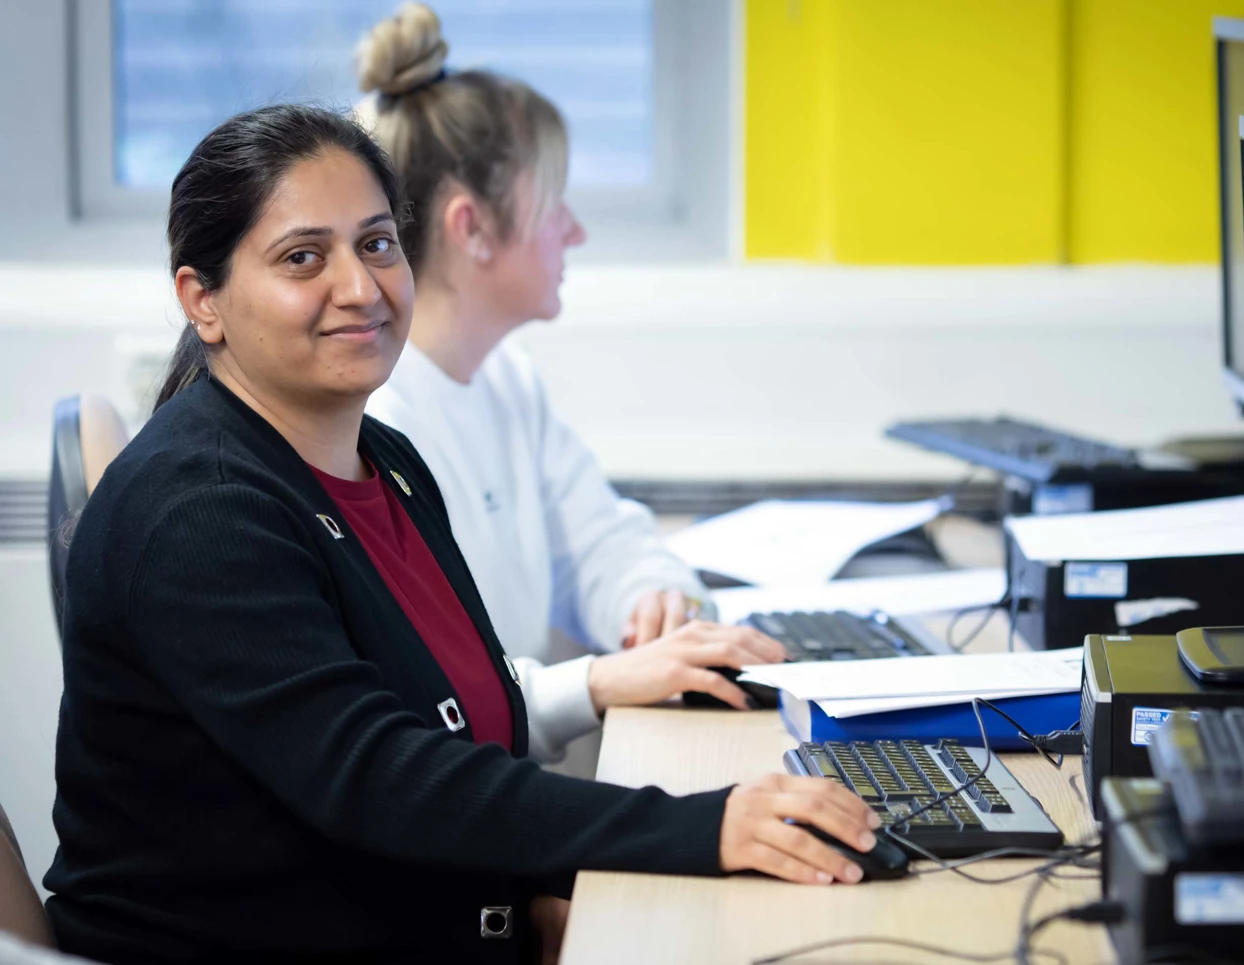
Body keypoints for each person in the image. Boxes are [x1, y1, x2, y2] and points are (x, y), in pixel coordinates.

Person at [44, 104, 880, 965]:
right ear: (202, 300)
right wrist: (702, 827)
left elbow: (455, 716)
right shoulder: (201, 511)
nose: (362, 287)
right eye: (304, 258)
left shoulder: (387, 461)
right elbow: (376, 774)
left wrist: (530, 892)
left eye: (376, 244)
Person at [356, 3, 754, 763]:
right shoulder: (379, 422)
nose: (575, 231)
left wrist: (653, 599)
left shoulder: (504, 379)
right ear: (470, 227)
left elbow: (601, 540)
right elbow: (429, 706)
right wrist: (602, 679)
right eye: (553, 203)